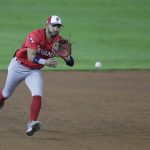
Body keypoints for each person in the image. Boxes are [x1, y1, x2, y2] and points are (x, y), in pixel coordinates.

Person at [0, 15, 74, 136]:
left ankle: (32, 123)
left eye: (58, 26)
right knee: (6, 93)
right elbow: (30, 56)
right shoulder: (35, 35)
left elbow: (71, 63)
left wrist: (67, 57)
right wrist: (45, 62)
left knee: (37, 94)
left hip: (34, 71)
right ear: (47, 25)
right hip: (18, 66)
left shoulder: (59, 42)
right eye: (53, 25)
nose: (56, 29)